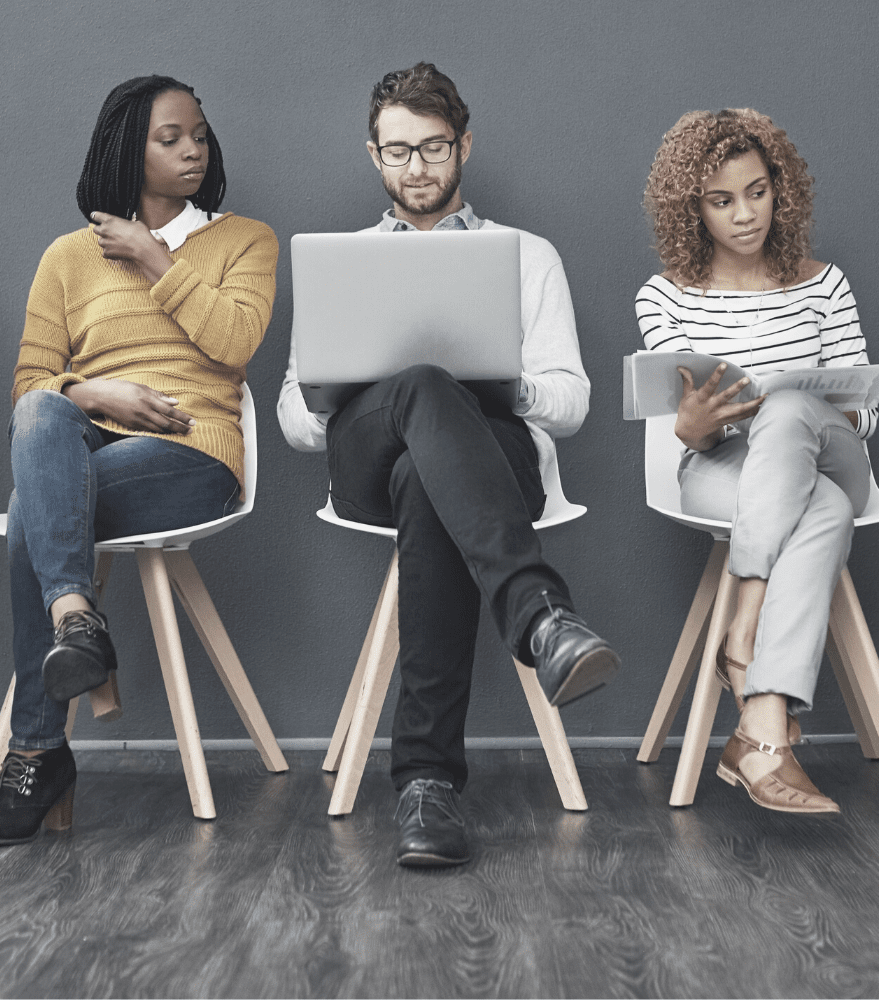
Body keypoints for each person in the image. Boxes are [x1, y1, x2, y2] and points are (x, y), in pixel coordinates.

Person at [278, 61, 618, 868]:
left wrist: (509, 383)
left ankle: (427, 787)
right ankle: (540, 616)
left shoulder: (525, 255)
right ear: (374, 156)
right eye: (398, 152)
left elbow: (571, 404)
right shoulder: (343, 258)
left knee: (430, 484)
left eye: (432, 148)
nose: (416, 169)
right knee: (424, 388)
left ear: (464, 144)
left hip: (492, 459)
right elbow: (293, 420)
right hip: (364, 455)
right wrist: (328, 393)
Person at [0, 76, 277, 847]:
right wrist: (99, 393)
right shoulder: (67, 258)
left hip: (192, 454)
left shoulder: (245, 240)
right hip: (89, 442)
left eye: (199, 133)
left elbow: (235, 344)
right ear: (128, 150)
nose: (193, 148)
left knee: (39, 510)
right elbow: (31, 387)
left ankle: (36, 757)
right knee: (42, 414)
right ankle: (77, 617)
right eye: (171, 138)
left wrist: (154, 258)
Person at [637, 109, 879, 815]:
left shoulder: (825, 284)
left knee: (787, 410)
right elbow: (691, 432)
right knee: (823, 511)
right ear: (693, 208)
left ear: (781, 189)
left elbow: (866, 409)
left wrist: (805, 409)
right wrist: (691, 426)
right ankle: (763, 730)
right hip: (725, 470)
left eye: (756, 192)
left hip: (832, 456)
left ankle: (739, 626)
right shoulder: (665, 298)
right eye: (721, 201)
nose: (744, 215)